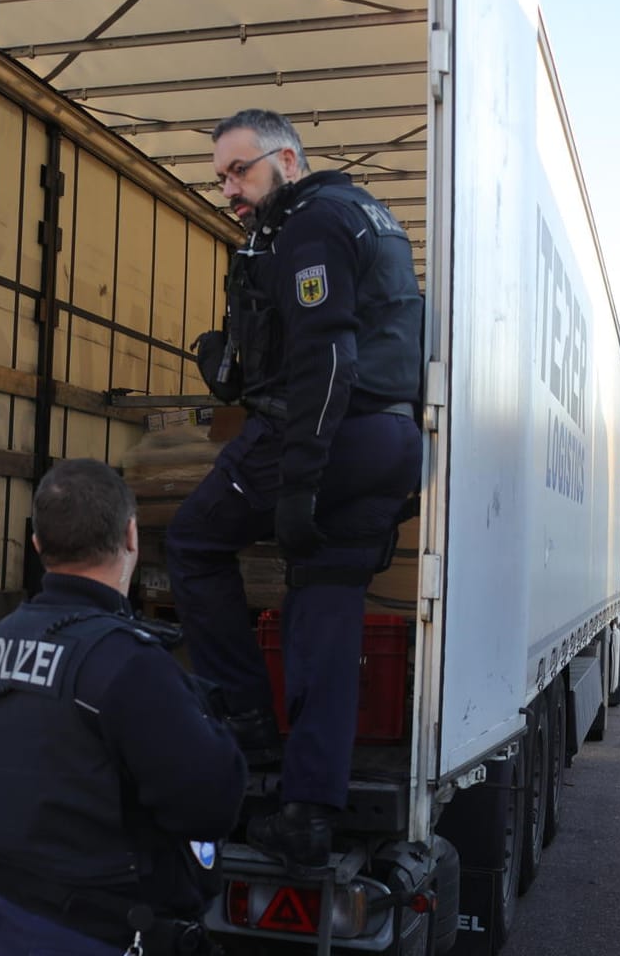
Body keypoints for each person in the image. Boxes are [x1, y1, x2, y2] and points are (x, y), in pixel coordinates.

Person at [167, 109, 423, 874]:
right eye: (219, 178)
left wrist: (299, 481)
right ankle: (310, 812)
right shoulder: (368, 217)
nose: (229, 190)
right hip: (389, 441)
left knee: (191, 540)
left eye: (239, 171)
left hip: (325, 435)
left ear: (285, 157)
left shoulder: (310, 224)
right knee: (326, 610)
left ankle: (245, 720)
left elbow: (329, 361)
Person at [0, 458, 246, 955]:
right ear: (132, 536)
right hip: (97, 932)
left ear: (37, 544)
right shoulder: (127, 662)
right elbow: (210, 804)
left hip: (1, 919)